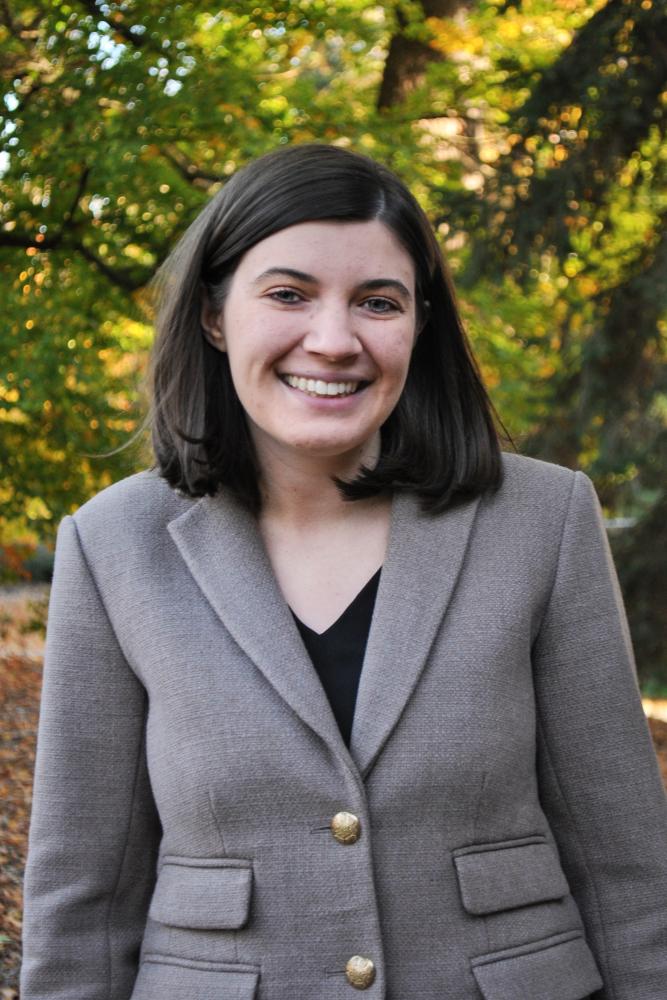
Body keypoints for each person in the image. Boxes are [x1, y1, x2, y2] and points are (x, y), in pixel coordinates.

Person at [21, 144, 667, 1000]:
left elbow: (624, 862)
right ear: (215, 315)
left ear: (419, 322)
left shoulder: (540, 520)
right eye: (288, 294)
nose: (333, 341)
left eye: (377, 302)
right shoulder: (112, 543)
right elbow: (82, 900)